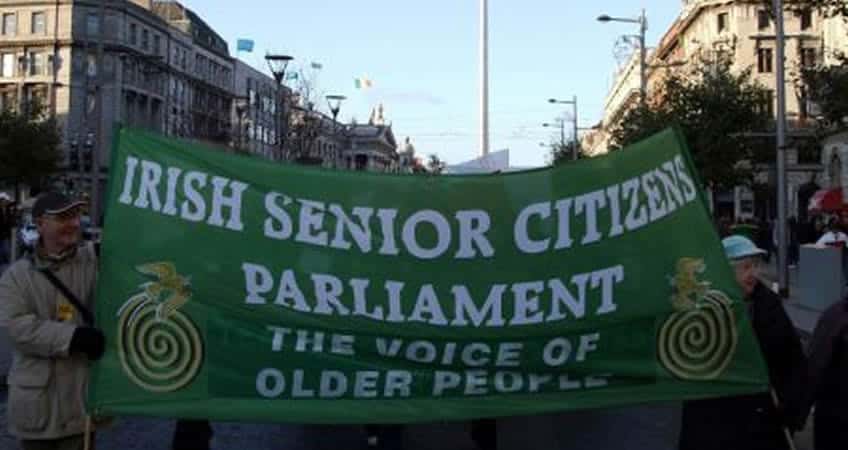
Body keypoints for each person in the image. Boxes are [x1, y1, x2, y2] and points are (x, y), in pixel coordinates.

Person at [677, 235, 807, 450]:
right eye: (745, 267)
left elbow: (792, 360)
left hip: (763, 420)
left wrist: (791, 407)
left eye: (756, 266)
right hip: (715, 421)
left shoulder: (769, 305)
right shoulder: (701, 309)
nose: (754, 274)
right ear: (725, 271)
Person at [0, 192, 105, 450]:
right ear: (39, 223)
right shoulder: (16, 276)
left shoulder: (95, 260)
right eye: (62, 217)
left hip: (81, 407)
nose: (73, 223)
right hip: (38, 408)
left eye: (76, 216)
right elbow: (16, 328)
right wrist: (74, 337)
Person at [801, 297, 848, 449]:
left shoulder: (835, 316)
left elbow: (814, 366)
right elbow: (815, 366)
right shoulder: (836, 317)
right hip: (837, 419)